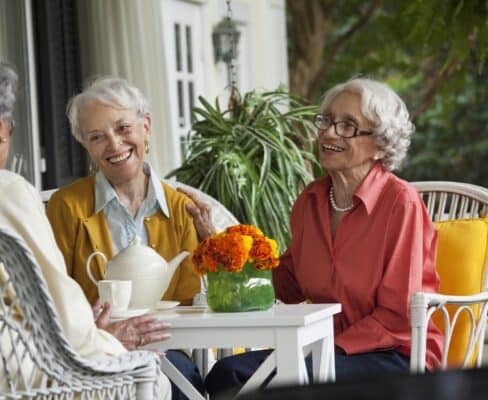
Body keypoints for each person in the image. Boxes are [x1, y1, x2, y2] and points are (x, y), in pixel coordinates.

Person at [0, 42, 171, 398]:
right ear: (1, 127)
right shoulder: (2, 191)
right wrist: (108, 342)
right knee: (153, 377)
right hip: (6, 385)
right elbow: (65, 321)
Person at [188, 78, 443, 398]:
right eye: (327, 121)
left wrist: (324, 347)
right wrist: (225, 250)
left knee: (275, 383)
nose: (330, 132)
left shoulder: (400, 204)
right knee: (226, 374)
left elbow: (397, 314)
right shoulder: (311, 201)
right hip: (324, 349)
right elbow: (287, 282)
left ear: (380, 144)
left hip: (394, 354)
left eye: (348, 126)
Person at [45, 77, 205, 399]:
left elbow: (194, 303)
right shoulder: (67, 206)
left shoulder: (180, 208)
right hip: (96, 355)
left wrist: (210, 246)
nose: (114, 145)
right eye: (97, 137)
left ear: (146, 127)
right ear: (86, 146)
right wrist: (100, 337)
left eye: (122, 128)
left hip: (169, 352)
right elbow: (50, 296)